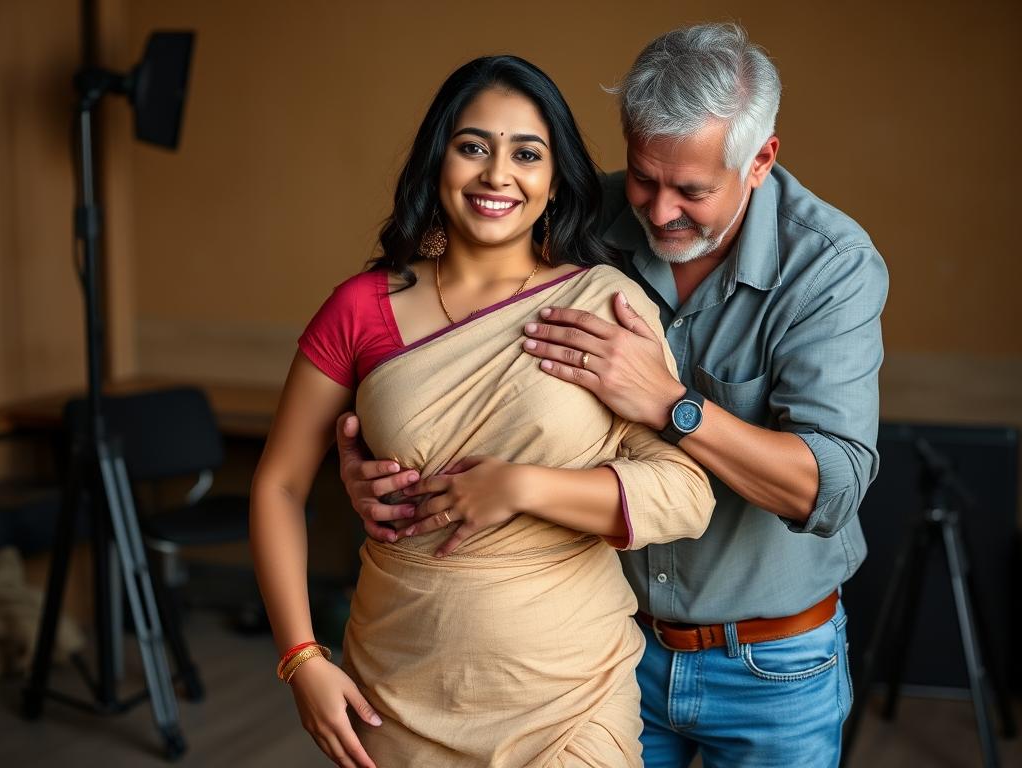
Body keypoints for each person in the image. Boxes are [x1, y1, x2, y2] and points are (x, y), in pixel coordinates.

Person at [339, 24, 888, 767]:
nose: (658, 212)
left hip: (768, 665)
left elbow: (830, 489)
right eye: (642, 178)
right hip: (602, 650)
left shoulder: (831, 267)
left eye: (692, 190)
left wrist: (671, 404)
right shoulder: (579, 218)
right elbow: (437, 319)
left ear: (760, 160)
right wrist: (371, 457)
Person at [250, 55, 715, 768]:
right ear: (439, 161)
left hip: (571, 697)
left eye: (527, 154)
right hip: (396, 692)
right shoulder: (360, 307)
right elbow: (279, 483)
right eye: (474, 147)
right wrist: (301, 657)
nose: (498, 174)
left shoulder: (602, 306)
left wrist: (524, 487)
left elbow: (685, 492)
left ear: (555, 179)